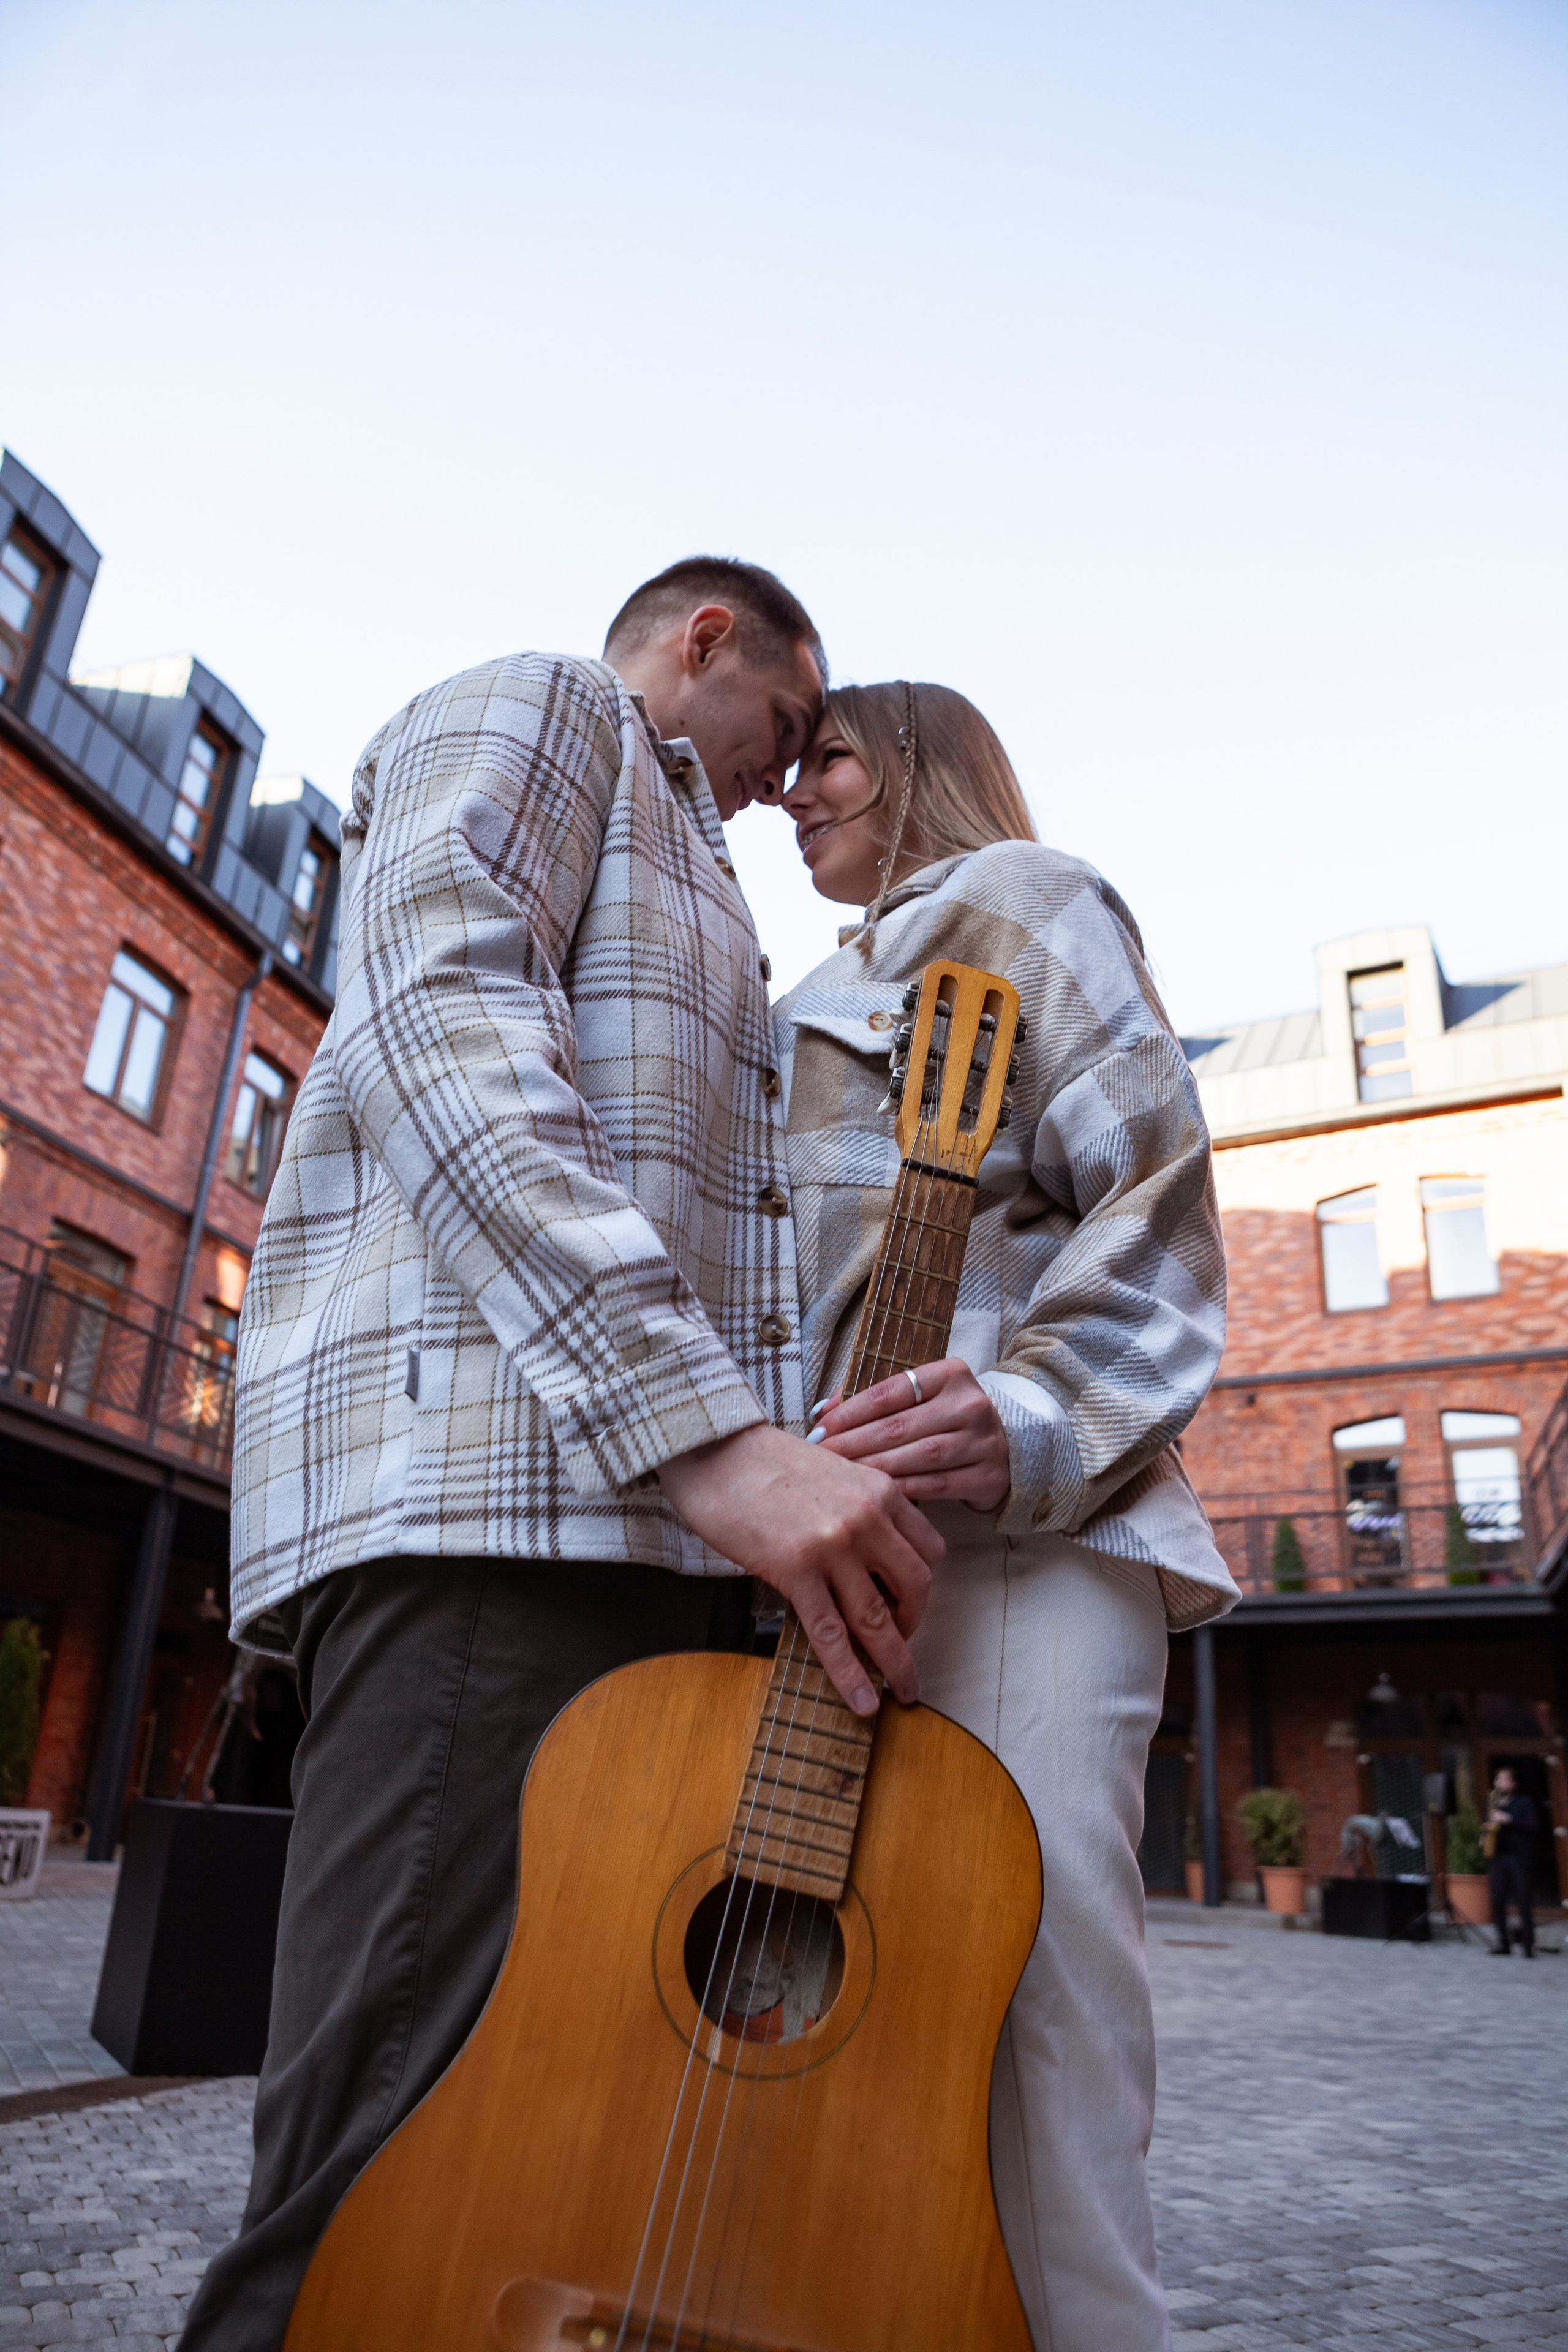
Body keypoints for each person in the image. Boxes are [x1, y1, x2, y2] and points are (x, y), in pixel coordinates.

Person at [180, 568, 945, 2352]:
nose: (788, 774)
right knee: (365, 2197)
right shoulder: (534, 702)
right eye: (784, 722)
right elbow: (438, 1025)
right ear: (702, 638)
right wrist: (707, 1432)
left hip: (639, 1550)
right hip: (489, 1519)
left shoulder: (711, 887)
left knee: (529, 2186)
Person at [777, 680, 1239, 2352]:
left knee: (1044, 2012)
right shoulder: (802, 991)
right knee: (825, 2003)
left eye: (827, 754)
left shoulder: (1026, 898)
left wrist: (1030, 1415)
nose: (792, 791)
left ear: (917, 760)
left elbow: (1158, 1199)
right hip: (823, 1565)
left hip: (1027, 1551)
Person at [1487, 1766, 1537, 1957]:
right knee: (1497, 1901)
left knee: (1524, 1901)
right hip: (1498, 1858)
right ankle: (1503, 1943)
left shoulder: (1524, 1803)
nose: (1499, 1783)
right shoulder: (1493, 1803)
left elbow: (1533, 1826)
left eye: (1504, 1780)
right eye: (1497, 1780)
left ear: (1513, 1784)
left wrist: (1509, 1819)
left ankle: (1528, 1945)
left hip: (1519, 1858)